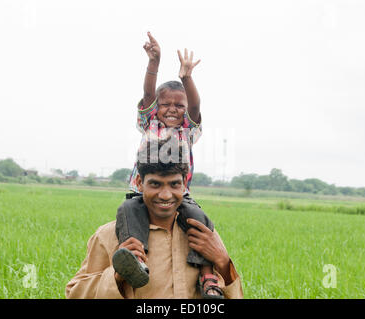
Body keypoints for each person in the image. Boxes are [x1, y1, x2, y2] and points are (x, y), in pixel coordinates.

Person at [113, 32, 221, 298]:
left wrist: (187, 78)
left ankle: (208, 276)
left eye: (179, 105)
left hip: (179, 194)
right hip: (142, 193)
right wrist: (153, 65)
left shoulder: (188, 131)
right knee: (128, 211)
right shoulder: (149, 124)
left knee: (200, 221)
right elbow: (148, 93)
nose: (172, 109)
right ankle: (135, 260)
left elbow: (196, 105)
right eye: (165, 104)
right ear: (155, 108)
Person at [65, 140, 243, 299]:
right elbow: (74, 294)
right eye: (155, 184)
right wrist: (117, 275)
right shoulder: (109, 236)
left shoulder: (203, 235)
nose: (165, 195)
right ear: (139, 183)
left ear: (184, 184)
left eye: (174, 184)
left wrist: (223, 262)